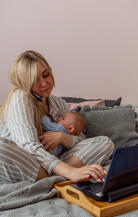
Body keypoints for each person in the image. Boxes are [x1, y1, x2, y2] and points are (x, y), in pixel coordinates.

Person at [0, 50, 114, 184]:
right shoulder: (20, 97)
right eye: (34, 80)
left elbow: (80, 136)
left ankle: (51, 178)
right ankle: (59, 176)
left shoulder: (57, 102)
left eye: (45, 75)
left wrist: (62, 137)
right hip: (28, 164)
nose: (44, 83)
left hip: (54, 162)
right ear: (24, 83)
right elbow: (29, 146)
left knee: (105, 142)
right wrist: (71, 171)